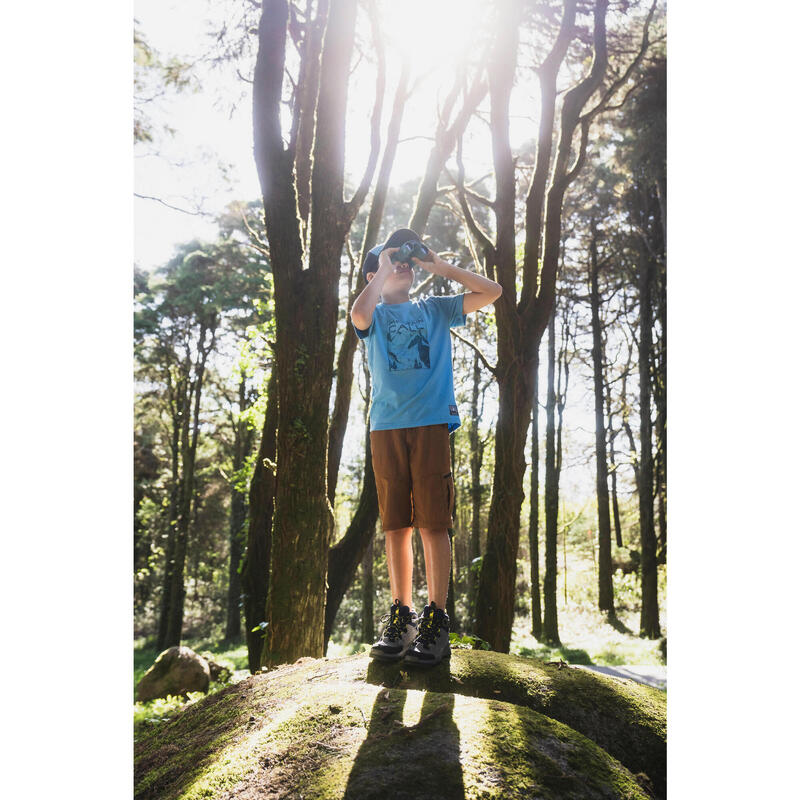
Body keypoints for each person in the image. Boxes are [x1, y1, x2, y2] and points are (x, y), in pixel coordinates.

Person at [350, 228, 502, 667]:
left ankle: (437, 618)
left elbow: (491, 291)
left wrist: (435, 265)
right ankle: (402, 614)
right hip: (386, 428)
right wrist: (382, 266)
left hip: (431, 425)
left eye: (405, 260)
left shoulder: (436, 310)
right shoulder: (374, 313)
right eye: (390, 259)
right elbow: (358, 314)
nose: (401, 265)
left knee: (434, 522)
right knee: (396, 525)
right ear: (373, 271)